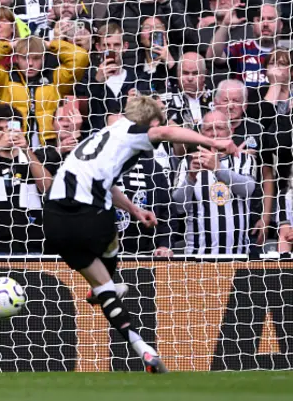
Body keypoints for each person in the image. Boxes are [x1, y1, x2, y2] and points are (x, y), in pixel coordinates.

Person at [43, 96, 239, 373]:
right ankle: (107, 281)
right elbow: (166, 132)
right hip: (88, 218)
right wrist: (216, 143)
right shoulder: (133, 132)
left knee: (104, 289)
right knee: (109, 236)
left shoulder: (101, 136)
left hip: (53, 220)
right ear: (152, 121)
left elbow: (104, 182)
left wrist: (135, 209)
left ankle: (143, 349)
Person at [0, 104, 53, 255]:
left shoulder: (36, 159)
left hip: (32, 246)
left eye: (10, 128)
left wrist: (26, 149)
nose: (6, 133)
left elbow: (48, 188)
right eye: (0, 129)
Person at [0, 35, 89, 146]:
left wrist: (49, 45)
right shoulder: (4, 79)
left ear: (43, 58)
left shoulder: (56, 78)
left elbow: (80, 57)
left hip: (50, 144)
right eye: (24, 57)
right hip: (13, 142)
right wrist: (11, 45)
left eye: (36, 58)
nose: (30, 64)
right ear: (17, 58)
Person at [172, 110, 256, 254]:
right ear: (202, 134)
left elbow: (248, 189)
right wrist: (191, 178)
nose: (214, 133)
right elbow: (179, 207)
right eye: (209, 129)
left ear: (230, 131)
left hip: (238, 255)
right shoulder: (188, 162)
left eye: (220, 128)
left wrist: (218, 169)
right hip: (197, 256)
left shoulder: (244, 159)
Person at [207, 2, 282, 87]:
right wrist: (225, 25)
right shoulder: (241, 48)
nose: (265, 24)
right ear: (253, 25)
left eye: (271, 19)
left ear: (281, 25)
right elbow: (212, 56)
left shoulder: (287, 55)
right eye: (260, 19)